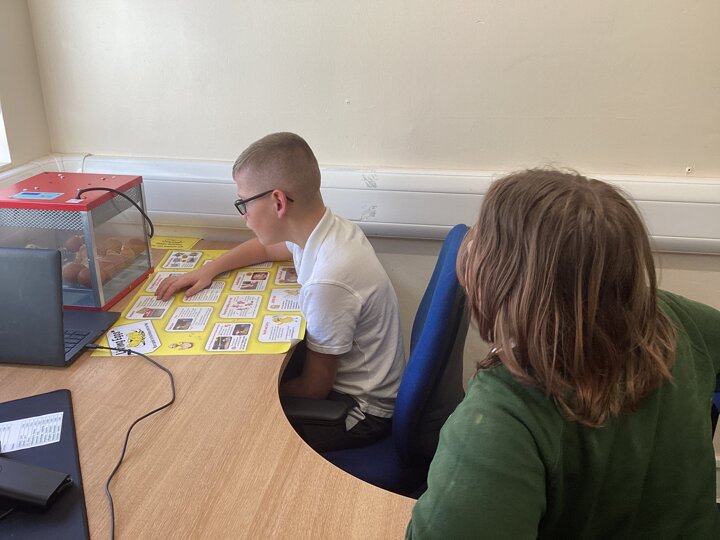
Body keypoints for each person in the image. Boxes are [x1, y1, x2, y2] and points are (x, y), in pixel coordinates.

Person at [406, 169, 720, 538]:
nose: (470, 244)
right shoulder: (675, 319)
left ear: (500, 273)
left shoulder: (499, 416)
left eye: (483, 236)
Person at [156, 132, 406, 452]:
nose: (244, 216)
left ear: (278, 202)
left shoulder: (328, 279)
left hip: (359, 413)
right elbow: (267, 249)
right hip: (350, 388)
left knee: (227, 423)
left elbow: (314, 390)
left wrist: (250, 396)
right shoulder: (326, 229)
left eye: (244, 203)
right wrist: (209, 269)